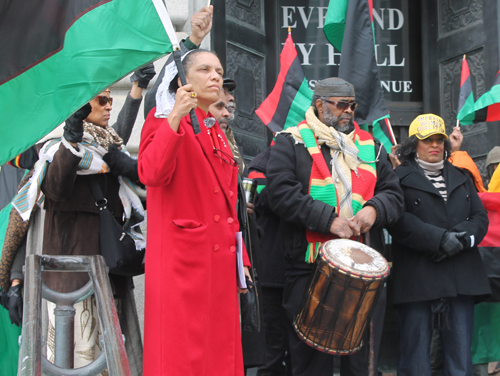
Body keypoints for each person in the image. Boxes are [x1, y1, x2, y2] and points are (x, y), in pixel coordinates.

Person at [265, 77, 404, 376]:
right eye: (342, 105)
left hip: (364, 268)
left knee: (363, 362)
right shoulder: (289, 141)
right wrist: (329, 220)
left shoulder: (372, 147)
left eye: (352, 105)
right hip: (308, 266)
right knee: (310, 362)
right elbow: (279, 192)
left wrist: (374, 209)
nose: (349, 111)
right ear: (319, 105)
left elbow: (394, 194)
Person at [138, 49, 252, 376]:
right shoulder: (163, 118)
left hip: (218, 263)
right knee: (182, 358)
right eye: (205, 69)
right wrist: (174, 116)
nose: (215, 76)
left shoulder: (213, 126)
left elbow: (230, 207)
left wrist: (240, 262)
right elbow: (150, 173)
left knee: (218, 359)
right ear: (184, 80)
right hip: (184, 265)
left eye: (218, 70)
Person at [388, 113, 491, 376]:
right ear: (414, 145)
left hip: (461, 276)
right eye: (427, 140)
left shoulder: (461, 175)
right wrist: (439, 240)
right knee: (416, 361)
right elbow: (397, 220)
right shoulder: (396, 178)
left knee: (460, 361)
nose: (435, 145)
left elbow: (479, 217)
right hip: (417, 279)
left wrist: (461, 239)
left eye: (439, 140)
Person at [248, 145, 292, 376]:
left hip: (303, 274)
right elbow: (266, 200)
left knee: (301, 354)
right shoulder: (261, 163)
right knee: (272, 354)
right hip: (272, 277)